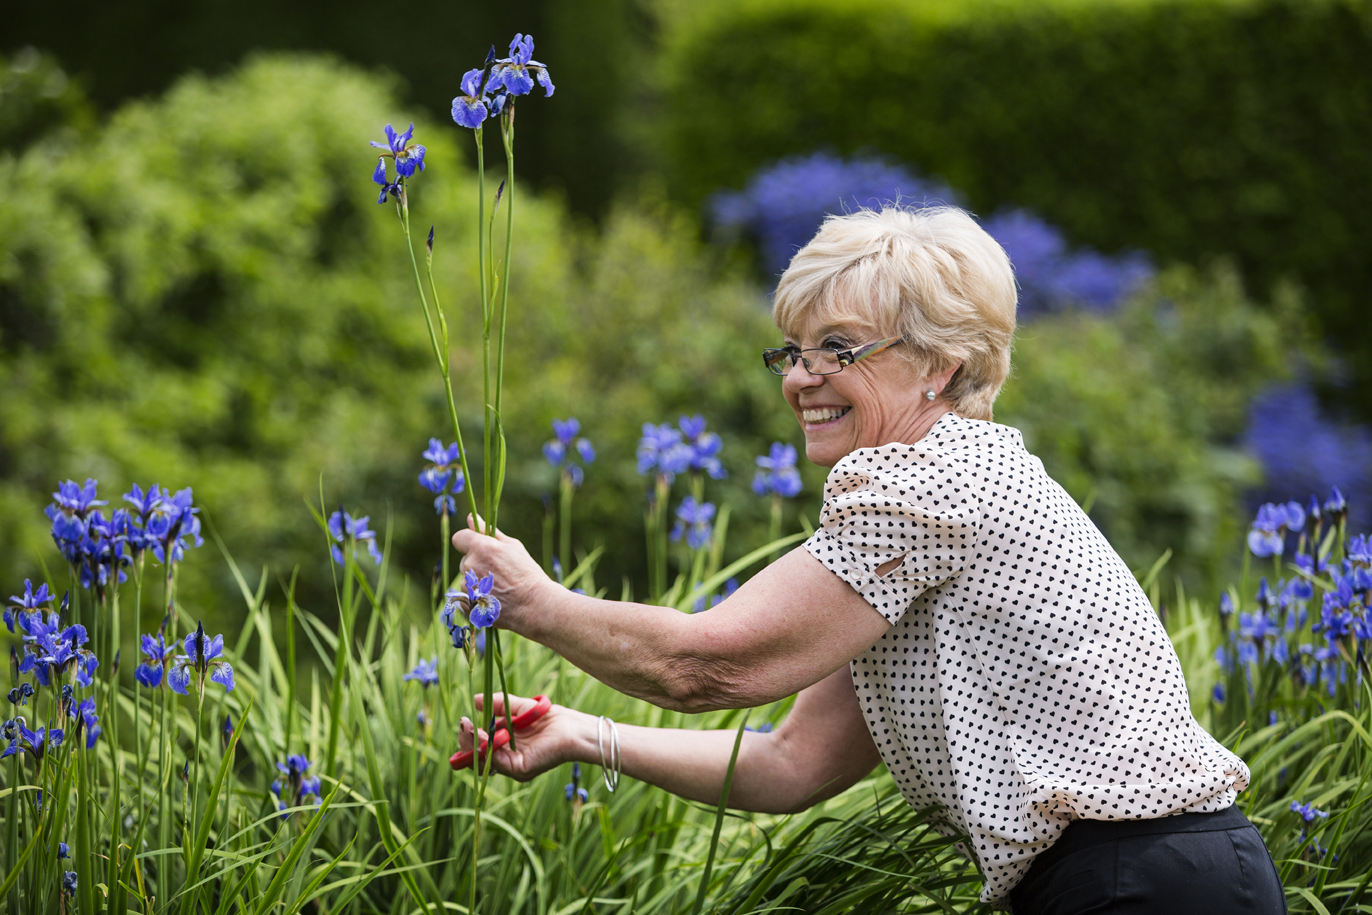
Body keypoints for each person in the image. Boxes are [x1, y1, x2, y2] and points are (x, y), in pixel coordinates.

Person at [451, 206, 1286, 913]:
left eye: (839, 348)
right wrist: (580, 733)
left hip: (1133, 881)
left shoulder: (926, 481)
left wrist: (534, 603)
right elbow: (792, 763)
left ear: (941, 362)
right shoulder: (944, 498)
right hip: (1172, 876)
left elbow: (707, 667)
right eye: (793, 350)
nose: (801, 379)